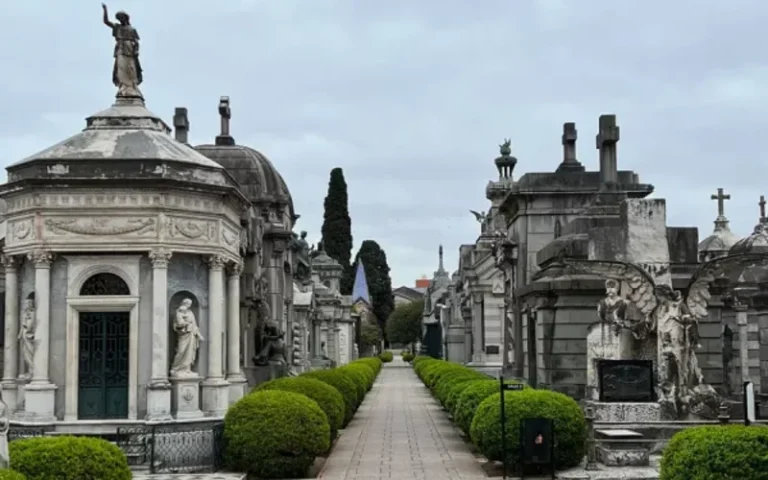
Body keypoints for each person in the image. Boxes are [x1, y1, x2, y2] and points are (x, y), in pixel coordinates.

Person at [101, 3, 143, 98]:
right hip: (120, 49)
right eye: (119, 18)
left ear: (126, 18)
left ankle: (132, 86)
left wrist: (136, 50)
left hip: (130, 50)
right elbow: (106, 21)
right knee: (121, 67)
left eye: (122, 17)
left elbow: (136, 41)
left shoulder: (132, 29)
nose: (121, 19)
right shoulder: (117, 27)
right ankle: (123, 86)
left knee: (131, 68)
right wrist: (105, 10)